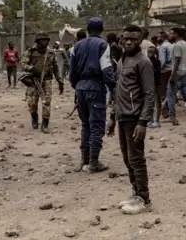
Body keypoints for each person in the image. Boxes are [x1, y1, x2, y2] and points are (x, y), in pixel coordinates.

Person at [107, 24, 155, 215]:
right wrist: (112, 116)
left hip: (135, 118)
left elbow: (150, 94)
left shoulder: (143, 62)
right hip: (122, 116)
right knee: (128, 159)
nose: (129, 42)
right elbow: (119, 91)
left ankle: (144, 199)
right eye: (126, 38)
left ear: (140, 41)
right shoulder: (123, 59)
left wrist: (143, 122)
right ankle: (135, 192)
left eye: (133, 39)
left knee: (137, 159)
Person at [69, 18, 116, 173]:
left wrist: (76, 86)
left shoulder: (77, 46)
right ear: (101, 30)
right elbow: (106, 69)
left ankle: (84, 159)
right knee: (96, 125)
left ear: (87, 29)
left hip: (80, 88)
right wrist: (113, 88)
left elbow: (72, 71)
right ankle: (93, 163)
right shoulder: (103, 45)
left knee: (85, 125)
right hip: (95, 87)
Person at [22, 33, 64, 133]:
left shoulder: (51, 53)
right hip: (34, 81)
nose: (46, 42)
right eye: (43, 40)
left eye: (47, 40)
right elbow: (23, 64)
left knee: (47, 103)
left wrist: (60, 81)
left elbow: (56, 69)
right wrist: (32, 68)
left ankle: (45, 124)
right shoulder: (30, 52)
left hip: (47, 81)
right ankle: (34, 117)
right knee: (32, 103)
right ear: (37, 42)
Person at [167, 27, 186, 126]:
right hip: (185, 72)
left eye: (172, 33)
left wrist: (172, 75)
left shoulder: (177, 45)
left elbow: (177, 59)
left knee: (171, 95)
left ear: (177, 34)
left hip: (177, 72)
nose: (170, 35)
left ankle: (172, 117)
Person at [158, 31, 173, 122]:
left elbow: (162, 61)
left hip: (165, 71)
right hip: (171, 69)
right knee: (170, 91)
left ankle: (165, 111)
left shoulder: (163, 46)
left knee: (164, 93)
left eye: (159, 37)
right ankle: (169, 110)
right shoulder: (171, 45)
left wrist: (159, 70)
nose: (158, 39)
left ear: (162, 37)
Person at [147, 44, 162, 129]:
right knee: (150, 102)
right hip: (149, 84)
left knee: (157, 102)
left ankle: (157, 121)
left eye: (151, 52)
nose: (150, 53)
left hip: (157, 84)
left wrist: (150, 69)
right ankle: (150, 120)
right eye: (148, 52)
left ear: (155, 53)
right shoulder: (146, 61)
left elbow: (158, 71)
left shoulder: (157, 61)